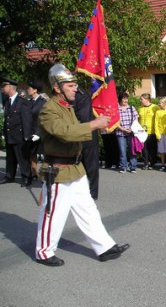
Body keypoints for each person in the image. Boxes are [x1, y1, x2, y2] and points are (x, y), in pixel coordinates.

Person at [35, 64, 129, 267]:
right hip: (58, 170)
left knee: (88, 209)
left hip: (76, 169)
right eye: (70, 85)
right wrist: (94, 125)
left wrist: (96, 126)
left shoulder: (68, 107)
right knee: (53, 213)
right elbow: (65, 132)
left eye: (75, 84)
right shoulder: (49, 109)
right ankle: (44, 252)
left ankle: (104, 247)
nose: (75, 88)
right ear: (57, 87)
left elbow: (77, 130)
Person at [0, 77, 32, 187]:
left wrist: (27, 136)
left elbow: (26, 120)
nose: (2, 89)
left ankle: (26, 176)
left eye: (4, 87)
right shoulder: (7, 101)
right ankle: (9, 175)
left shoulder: (22, 102)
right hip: (10, 134)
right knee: (10, 157)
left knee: (22, 158)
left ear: (10, 87)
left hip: (19, 135)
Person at [74, 86, 100, 199]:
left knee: (91, 166)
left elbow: (84, 117)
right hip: (77, 135)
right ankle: (81, 191)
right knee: (78, 166)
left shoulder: (81, 94)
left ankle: (92, 193)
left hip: (87, 135)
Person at [26, 80, 47, 180]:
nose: (28, 90)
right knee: (31, 153)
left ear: (35, 90)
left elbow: (44, 119)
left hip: (41, 132)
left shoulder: (43, 102)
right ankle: (33, 173)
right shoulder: (29, 102)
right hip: (31, 132)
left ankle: (46, 174)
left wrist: (39, 133)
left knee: (44, 154)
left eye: (29, 88)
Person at [115, 93, 139, 173]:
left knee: (132, 150)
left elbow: (136, 120)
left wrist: (131, 128)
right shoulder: (116, 109)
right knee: (122, 151)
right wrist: (123, 129)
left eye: (126, 99)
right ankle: (123, 166)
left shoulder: (131, 108)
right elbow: (115, 122)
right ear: (120, 99)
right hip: (120, 133)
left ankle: (133, 167)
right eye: (124, 99)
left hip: (131, 132)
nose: (126, 100)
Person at [138, 93, 159, 170]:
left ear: (147, 100)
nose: (140, 100)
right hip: (142, 132)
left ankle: (152, 163)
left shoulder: (155, 107)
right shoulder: (140, 108)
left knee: (152, 148)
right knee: (144, 149)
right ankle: (146, 163)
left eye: (142, 99)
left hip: (152, 131)